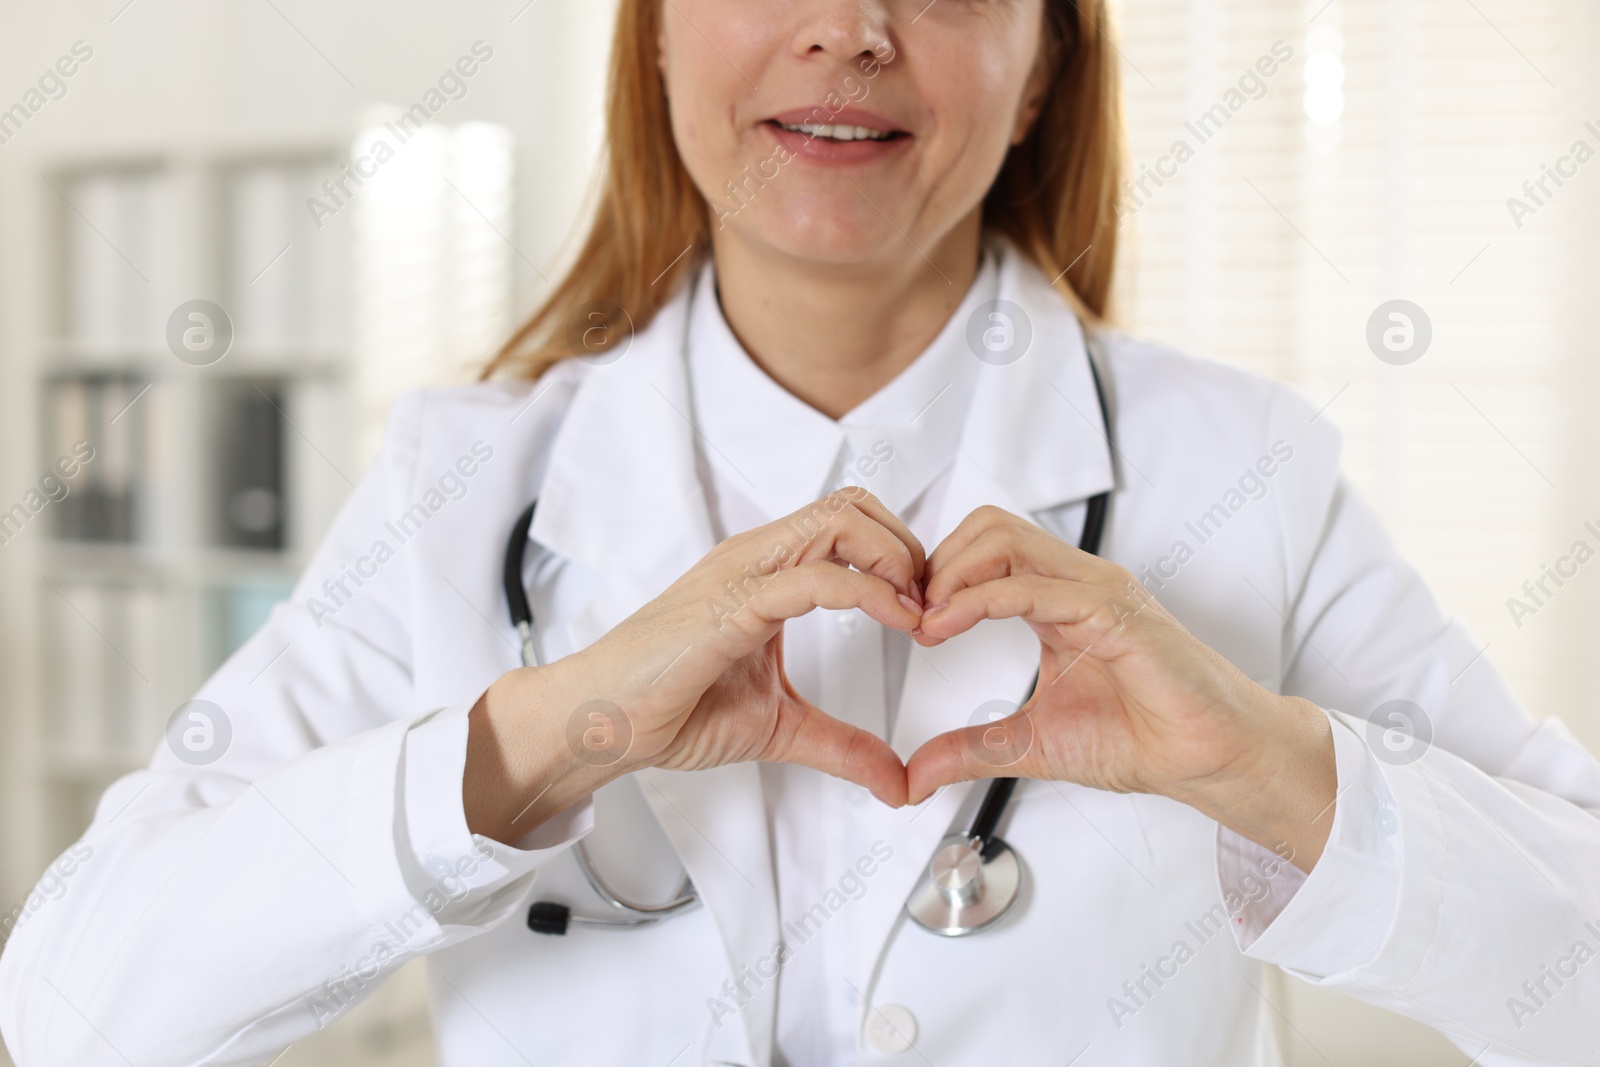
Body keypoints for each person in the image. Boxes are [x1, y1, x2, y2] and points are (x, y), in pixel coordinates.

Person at [5, 1, 1599, 1064]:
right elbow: (67, 1010)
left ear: (1045, 61)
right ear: (653, 36)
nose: (851, 27)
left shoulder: (1245, 472)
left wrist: (1266, 765)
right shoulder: (460, 490)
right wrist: (540, 745)